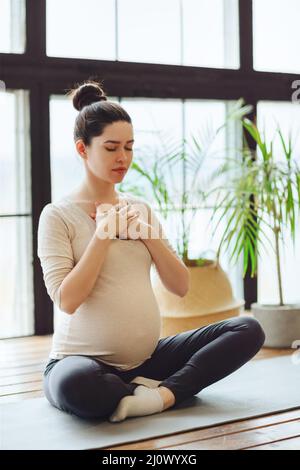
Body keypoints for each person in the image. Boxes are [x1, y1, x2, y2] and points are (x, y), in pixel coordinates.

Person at [38, 79, 265, 423]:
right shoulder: (57, 215)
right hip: (79, 362)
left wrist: (148, 236)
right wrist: (102, 236)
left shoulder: (139, 209)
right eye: (111, 147)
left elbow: (180, 286)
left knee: (249, 331)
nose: (123, 158)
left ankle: (160, 396)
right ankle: (154, 390)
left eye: (129, 147)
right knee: (78, 386)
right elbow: (67, 300)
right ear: (83, 150)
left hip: (148, 360)